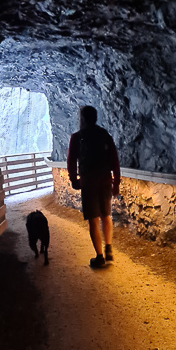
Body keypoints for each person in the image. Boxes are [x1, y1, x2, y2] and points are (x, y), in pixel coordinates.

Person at [67, 105, 121, 268]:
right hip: (105, 180)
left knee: (93, 219)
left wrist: (74, 179)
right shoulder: (104, 135)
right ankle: (109, 248)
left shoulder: (77, 137)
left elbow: (71, 161)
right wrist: (116, 182)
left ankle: (99, 257)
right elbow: (114, 160)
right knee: (106, 215)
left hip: (88, 181)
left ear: (82, 118)